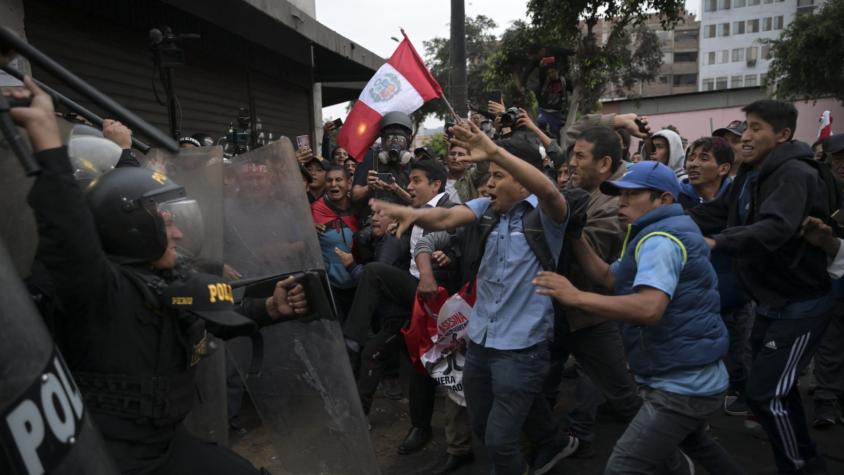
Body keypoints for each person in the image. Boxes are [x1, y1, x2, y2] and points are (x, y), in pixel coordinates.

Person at [7, 77, 308, 474]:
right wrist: (47, 143)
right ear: (131, 230)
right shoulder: (100, 290)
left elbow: (209, 311)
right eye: (167, 225)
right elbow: (68, 236)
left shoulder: (164, 280)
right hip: (111, 458)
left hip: (164, 443)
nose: (181, 233)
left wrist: (268, 307)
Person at [373, 121, 577, 475]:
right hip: (480, 341)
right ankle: (543, 449)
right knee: (484, 430)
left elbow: (549, 191)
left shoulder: (546, 215)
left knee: (500, 441)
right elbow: (448, 215)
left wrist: (496, 149)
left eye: (499, 174)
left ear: (521, 178)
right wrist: (412, 213)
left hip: (522, 348)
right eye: (490, 175)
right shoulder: (486, 208)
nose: (491, 183)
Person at [534, 160, 741, 475]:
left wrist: (576, 297)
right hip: (690, 374)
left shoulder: (660, 241)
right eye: (620, 194)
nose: (622, 201)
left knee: (623, 466)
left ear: (664, 200)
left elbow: (649, 308)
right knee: (698, 445)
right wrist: (576, 236)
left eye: (633, 194)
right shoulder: (655, 232)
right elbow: (608, 278)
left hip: (682, 384)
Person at [689, 100, 835, 474]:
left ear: (783, 135)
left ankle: (804, 467)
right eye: (745, 129)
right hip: (770, 300)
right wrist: (667, 215)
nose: (746, 136)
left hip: (800, 302)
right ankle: (799, 459)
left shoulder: (794, 174)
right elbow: (721, 214)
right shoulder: (751, 176)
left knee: (767, 395)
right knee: (774, 393)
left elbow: (776, 227)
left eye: (756, 128)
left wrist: (718, 243)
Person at [543, 126, 642, 456]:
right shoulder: (576, 190)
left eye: (580, 156)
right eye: (571, 154)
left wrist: (561, 224)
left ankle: (670, 452)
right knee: (533, 385)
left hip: (590, 316)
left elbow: (592, 259)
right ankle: (552, 445)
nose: (571, 163)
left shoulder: (613, 204)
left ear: (605, 164)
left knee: (622, 394)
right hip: (556, 310)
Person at [679, 137, 754, 416]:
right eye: (691, 157)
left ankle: (744, 395)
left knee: (740, 355)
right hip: (694, 297)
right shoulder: (676, 197)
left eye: (703, 158)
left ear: (723, 168)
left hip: (736, 293)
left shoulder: (741, 198)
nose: (694, 164)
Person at [311, 166, 359, 319]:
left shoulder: (360, 208)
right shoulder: (315, 210)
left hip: (360, 282)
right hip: (330, 286)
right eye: (329, 180)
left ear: (349, 183)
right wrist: (308, 230)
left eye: (338, 180)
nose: (333, 185)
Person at [351, 112, 415, 206]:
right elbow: (354, 196)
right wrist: (369, 187)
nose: (394, 143)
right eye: (389, 138)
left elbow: (416, 203)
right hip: (373, 218)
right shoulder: (370, 158)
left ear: (407, 141)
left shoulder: (412, 164)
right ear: (382, 140)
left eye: (400, 139)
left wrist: (396, 189)